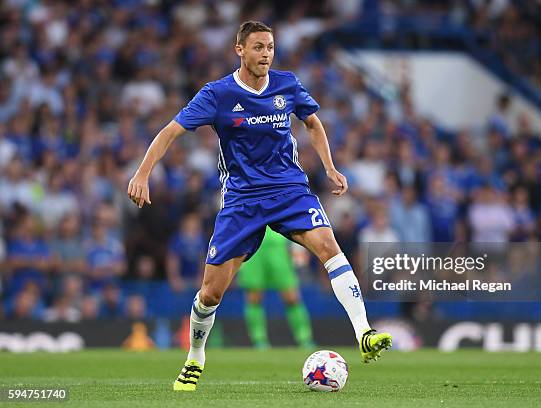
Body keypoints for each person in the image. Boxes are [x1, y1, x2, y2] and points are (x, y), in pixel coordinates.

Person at [127, 21, 392, 392]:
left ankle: (363, 332)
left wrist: (330, 167)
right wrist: (142, 173)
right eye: (258, 47)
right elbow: (171, 131)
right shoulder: (217, 94)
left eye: (270, 47)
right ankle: (195, 356)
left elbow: (313, 123)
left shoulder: (287, 84)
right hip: (242, 200)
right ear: (240, 50)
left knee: (330, 248)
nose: (266, 54)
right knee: (210, 293)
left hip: (289, 191)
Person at [238, 227, 314, 349]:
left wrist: (298, 247)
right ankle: (259, 341)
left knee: (292, 297)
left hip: (278, 243)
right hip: (251, 242)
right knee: (254, 297)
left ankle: (305, 339)